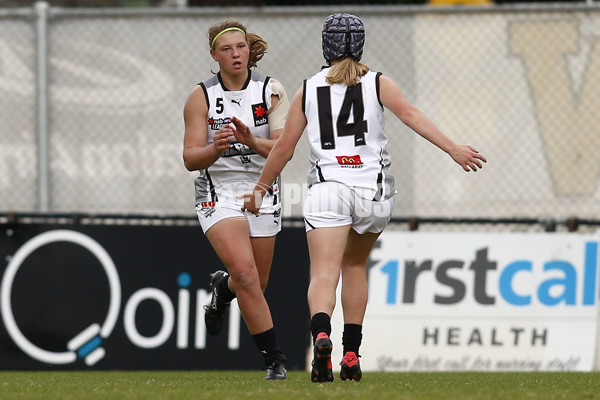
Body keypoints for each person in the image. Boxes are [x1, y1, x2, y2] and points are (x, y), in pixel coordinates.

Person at [238, 13, 487, 382]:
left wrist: (259, 189)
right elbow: (410, 114)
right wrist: (452, 148)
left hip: (327, 190)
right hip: (374, 191)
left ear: (326, 45)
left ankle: (321, 333)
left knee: (324, 272)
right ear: (360, 44)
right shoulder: (378, 83)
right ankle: (351, 354)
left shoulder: (307, 89)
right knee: (355, 267)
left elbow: (283, 150)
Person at [182, 19, 290, 380]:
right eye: (226, 49)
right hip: (218, 193)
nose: (235, 55)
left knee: (254, 285)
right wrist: (215, 149)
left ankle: (221, 289)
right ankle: (274, 360)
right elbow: (190, 158)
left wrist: (251, 142)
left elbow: (282, 148)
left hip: (262, 189)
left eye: (240, 47)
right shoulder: (201, 96)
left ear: (248, 49)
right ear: (214, 55)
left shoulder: (270, 89)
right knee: (244, 272)